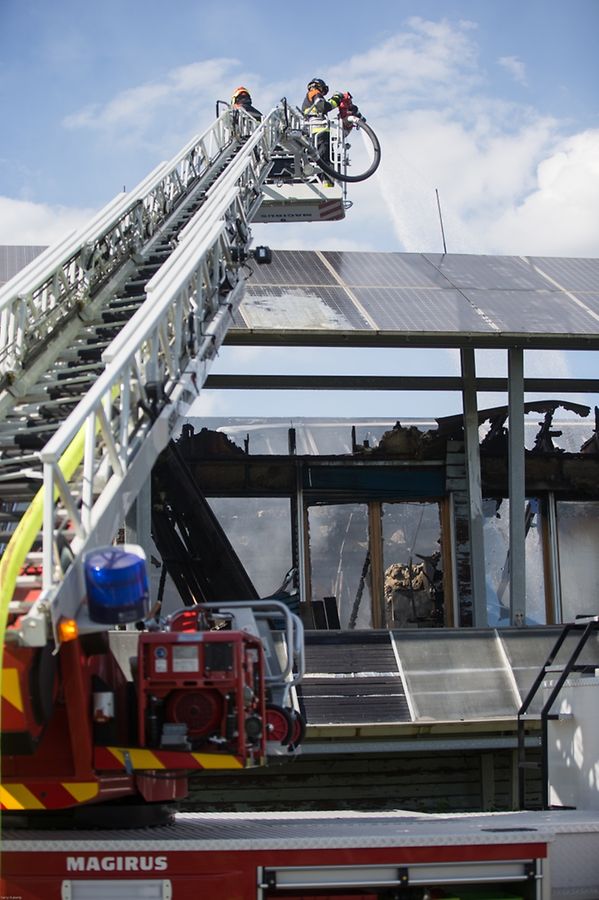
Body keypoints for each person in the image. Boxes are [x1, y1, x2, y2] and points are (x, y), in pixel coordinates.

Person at [301, 77, 348, 183]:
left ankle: (327, 181)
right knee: (324, 161)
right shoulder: (314, 92)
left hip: (317, 134)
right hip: (319, 133)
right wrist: (336, 98)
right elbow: (324, 107)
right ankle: (326, 183)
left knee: (326, 159)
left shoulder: (309, 98)